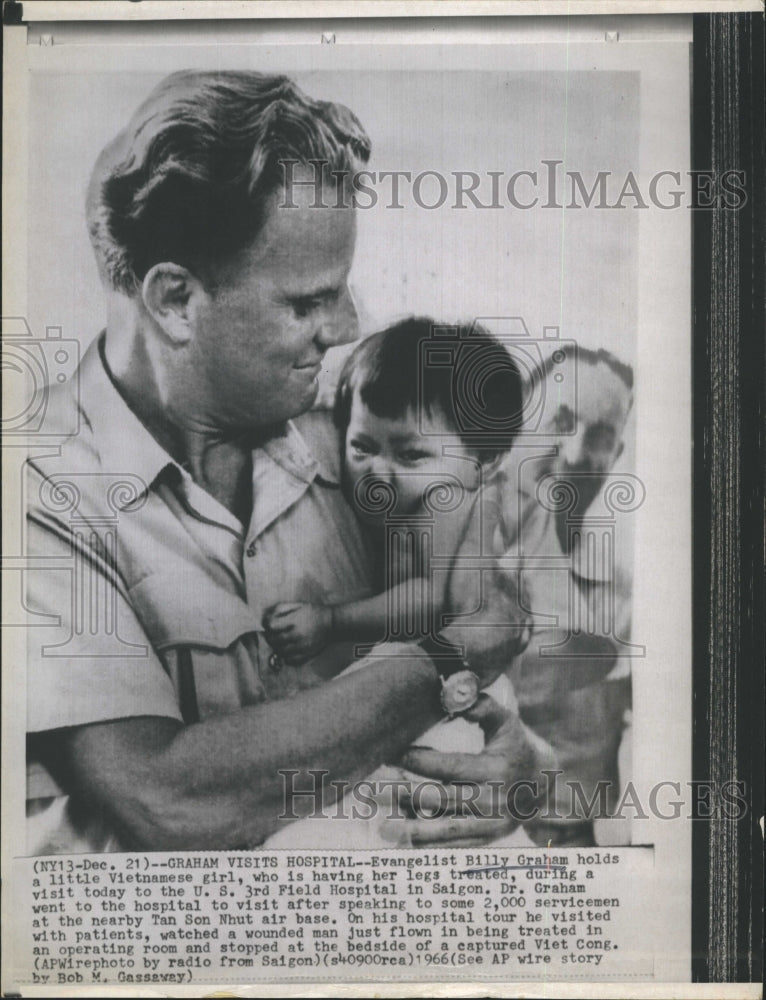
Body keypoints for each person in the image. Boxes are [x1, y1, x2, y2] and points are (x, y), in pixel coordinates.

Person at [25, 70, 550, 855]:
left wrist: (524, 764)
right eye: (306, 302)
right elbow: (168, 802)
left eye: (341, 291)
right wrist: (456, 653)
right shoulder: (41, 497)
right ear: (174, 301)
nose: (347, 325)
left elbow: (479, 577)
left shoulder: (345, 406)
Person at [263, 316, 528, 667]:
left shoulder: (444, 505)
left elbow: (428, 601)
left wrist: (331, 621)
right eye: (362, 448)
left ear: (483, 462)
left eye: (411, 455)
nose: (376, 472)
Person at [504, 343, 636, 846]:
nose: (576, 449)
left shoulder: (627, 603)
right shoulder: (443, 561)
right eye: (561, 421)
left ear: (616, 455)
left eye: (601, 436)